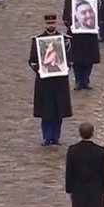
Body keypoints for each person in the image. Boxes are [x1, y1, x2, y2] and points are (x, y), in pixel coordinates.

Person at [30, 14, 73, 145]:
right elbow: (32, 61)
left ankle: (56, 136)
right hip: (45, 82)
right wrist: (41, 69)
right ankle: (47, 136)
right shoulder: (38, 40)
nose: (51, 25)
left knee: (58, 110)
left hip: (60, 81)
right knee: (46, 111)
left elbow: (70, 58)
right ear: (45, 24)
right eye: (49, 23)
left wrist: (65, 67)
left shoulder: (64, 40)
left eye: (53, 23)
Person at [63, 0, 101, 89]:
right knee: (76, 59)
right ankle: (79, 81)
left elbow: (99, 15)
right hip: (76, 35)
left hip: (90, 34)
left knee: (89, 58)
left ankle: (86, 80)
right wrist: (72, 25)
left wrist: (95, 24)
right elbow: (66, 16)